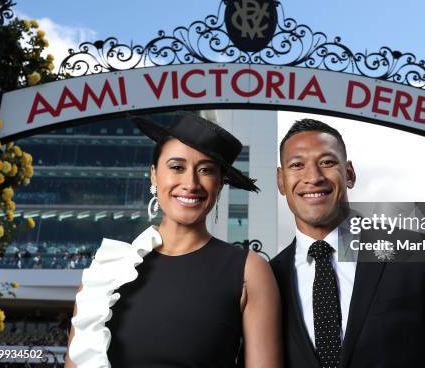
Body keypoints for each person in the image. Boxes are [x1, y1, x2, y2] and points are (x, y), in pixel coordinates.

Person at [65, 111, 282, 368]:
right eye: (177, 167)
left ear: (220, 184)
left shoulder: (249, 270)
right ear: (154, 175)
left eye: (206, 170)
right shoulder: (107, 269)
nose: (190, 183)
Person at [271, 118, 425, 368]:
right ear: (281, 181)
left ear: (349, 174)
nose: (313, 177)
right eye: (297, 165)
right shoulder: (269, 277)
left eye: (327, 162)